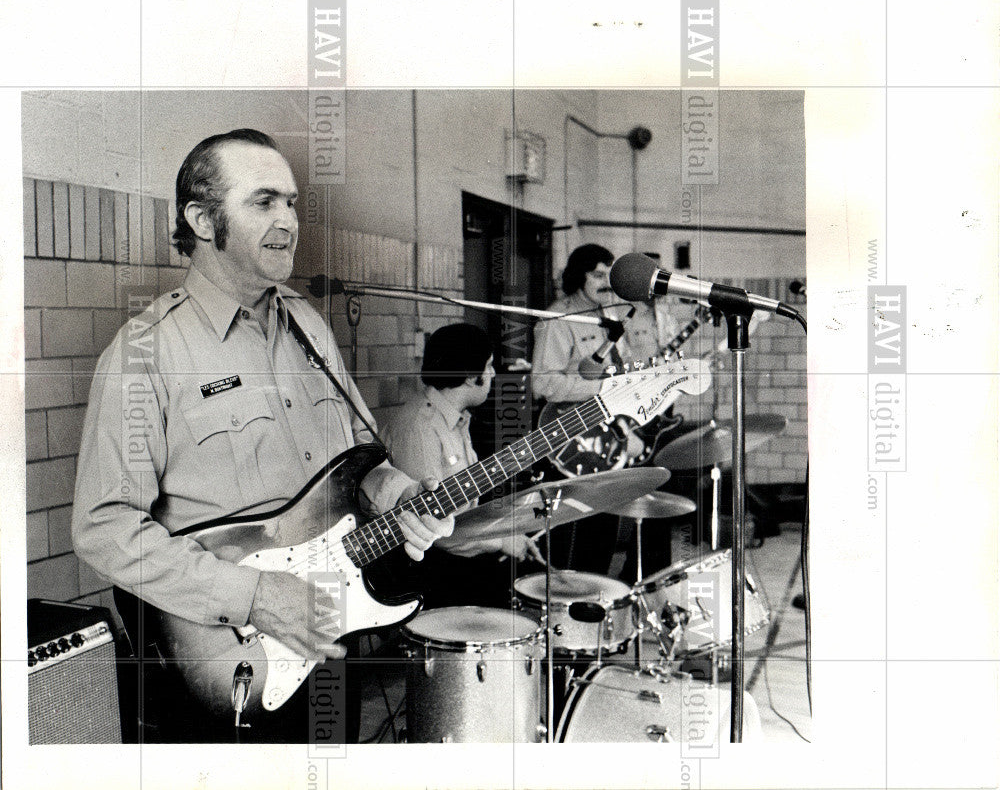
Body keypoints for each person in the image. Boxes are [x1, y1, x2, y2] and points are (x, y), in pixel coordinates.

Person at [71, 129, 454, 743]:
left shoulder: (307, 321)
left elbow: (360, 457)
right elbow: (105, 526)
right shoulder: (146, 352)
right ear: (202, 219)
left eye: (293, 203)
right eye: (264, 201)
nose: (289, 220)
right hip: (226, 657)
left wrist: (401, 497)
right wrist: (251, 594)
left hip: (334, 624)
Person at [383, 323, 541, 610]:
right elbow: (432, 527)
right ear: (470, 376)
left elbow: (462, 512)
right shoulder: (420, 428)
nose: (492, 374)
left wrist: (506, 530)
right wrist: (501, 541)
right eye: (489, 366)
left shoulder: (456, 418)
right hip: (430, 570)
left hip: (456, 557)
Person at [530, 244, 640, 575]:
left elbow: (625, 366)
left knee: (602, 533)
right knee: (569, 538)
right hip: (571, 442)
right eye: (598, 275)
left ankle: (593, 607)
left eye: (610, 275)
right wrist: (604, 388)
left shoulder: (610, 314)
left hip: (608, 439)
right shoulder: (558, 320)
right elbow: (543, 384)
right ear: (579, 276)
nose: (606, 283)